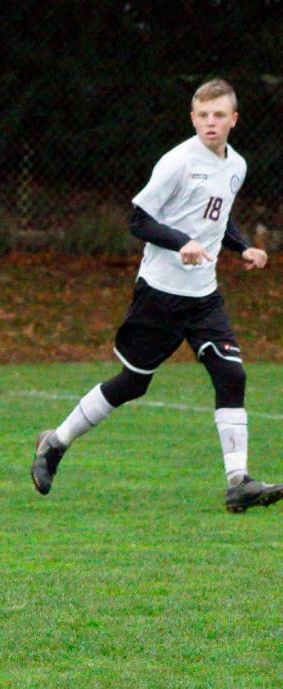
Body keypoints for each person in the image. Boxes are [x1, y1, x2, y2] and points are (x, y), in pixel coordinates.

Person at [31, 78, 282, 513]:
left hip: (205, 297)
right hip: (160, 297)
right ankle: (55, 443)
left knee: (232, 377)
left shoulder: (236, 165)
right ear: (192, 118)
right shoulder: (177, 162)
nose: (211, 123)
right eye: (203, 115)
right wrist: (180, 242)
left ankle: (238, 482)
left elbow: (218, 216)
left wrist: (245, 248)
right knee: (132, 383)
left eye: (219, 115)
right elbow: (138, 221)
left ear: (234, 120)